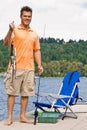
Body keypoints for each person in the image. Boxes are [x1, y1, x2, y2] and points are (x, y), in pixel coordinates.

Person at [4, 6, 43, 125]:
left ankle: (22, 116)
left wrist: (39, 65)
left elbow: (36, 50)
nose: (27, 18)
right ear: (21, 16)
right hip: (15, 67)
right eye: (25, 16)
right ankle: (10, 117)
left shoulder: (34, 34)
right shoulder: (15, 30)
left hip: (29, 68)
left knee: (26, 94)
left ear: (31, 17)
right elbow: (6, 43)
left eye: (29, 16)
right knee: (12, 93)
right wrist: (10, 30)